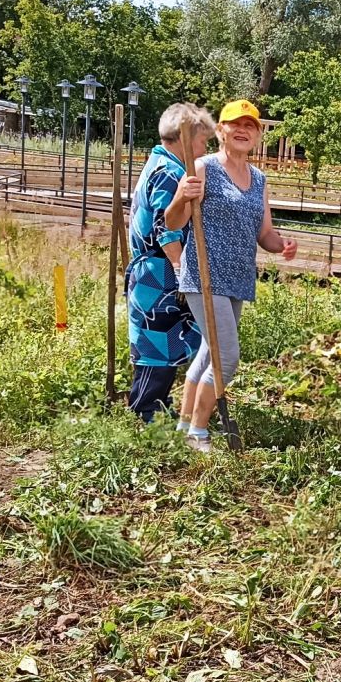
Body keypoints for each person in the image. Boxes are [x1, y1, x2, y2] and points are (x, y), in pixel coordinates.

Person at [167, 99, 298, 452]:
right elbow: (173, 222)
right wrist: (181, 197)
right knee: (227, 357)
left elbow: (264, 233)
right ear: (221, 131)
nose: (243, 130)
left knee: (211, 353)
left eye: (250, 125)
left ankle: (182, 425)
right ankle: (198, 432)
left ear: (257, 134)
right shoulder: (203, 168)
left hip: (238, 277)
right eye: (234, 124)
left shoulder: (259, 179)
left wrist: (281, 244)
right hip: (204, 276)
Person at [126, 102, 213, 422]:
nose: (205, 148)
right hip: (159, 274)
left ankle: (156, 408)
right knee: (156, 348)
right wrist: (181, 272)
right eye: (203, 140)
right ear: (186, 137)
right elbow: (166, 229)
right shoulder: (168, 172)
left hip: (155, 272)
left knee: (164, 345)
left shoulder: (160, 164)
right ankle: (144, 414)